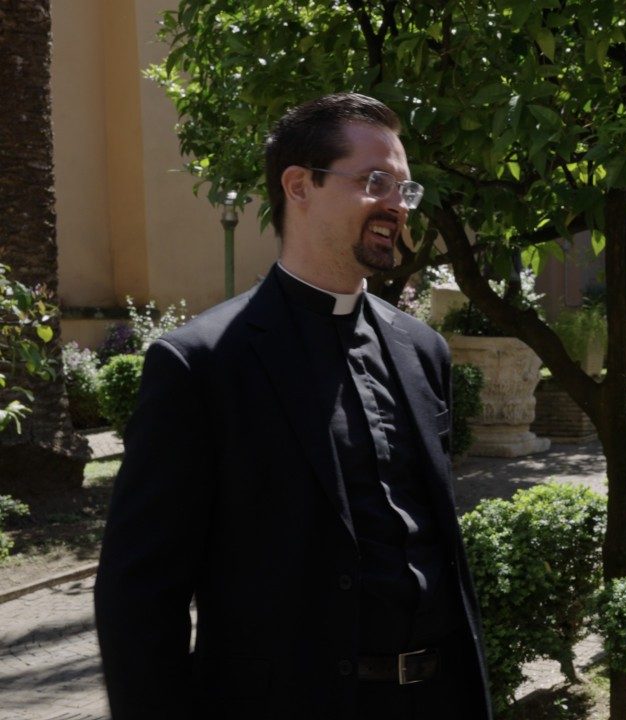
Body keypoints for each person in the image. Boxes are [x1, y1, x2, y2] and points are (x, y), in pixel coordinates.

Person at [95, 93, 491, 720]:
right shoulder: (201, 364)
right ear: (299, 186)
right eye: (375, 181)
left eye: (405, 189)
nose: (397, 204)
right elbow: (139, 593)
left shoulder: (423, 349)